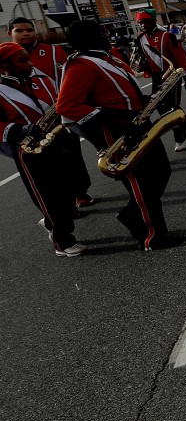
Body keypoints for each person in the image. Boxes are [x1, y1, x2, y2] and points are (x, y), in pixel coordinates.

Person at [56, 19, 174, 252]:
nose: (106, 35)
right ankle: (151, 236)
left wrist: (144, 101)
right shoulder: (80, 65)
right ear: (90, 38)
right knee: (140, 181)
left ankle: (132, 215)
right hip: (118, 130)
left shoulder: (106, 58)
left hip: (136, 122)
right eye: (101, 32)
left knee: (161, 170)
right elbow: (66, 106)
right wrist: (110, 119)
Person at [0, 42, 86, 256]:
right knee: (48, 196)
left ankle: (51, 222)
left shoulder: (43, 80)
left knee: (68, 191)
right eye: (22, 60)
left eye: (28, 58)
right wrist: (19, 130)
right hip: (28, 149)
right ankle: (63, 242)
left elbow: (60, 104)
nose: (30, 63)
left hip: (57, 141)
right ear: (4, 65)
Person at [8, 16, 97, 210]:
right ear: (10, 34)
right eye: (19, 31)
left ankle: (80, 192)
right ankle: (61, 207)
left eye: (29, 30)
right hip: (30, 122)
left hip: (61, 114)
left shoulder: (55, 51)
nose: (25, 34)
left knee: (72, 155)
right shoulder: (6, 58)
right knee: (47, 167)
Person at [134, 11, 186, 151]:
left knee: (171, 107)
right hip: (156, 77)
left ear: (153, 21)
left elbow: (181, 57)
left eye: (146, 21)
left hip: (172, 75)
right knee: (161, 108)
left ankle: (182, 138)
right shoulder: (140, 39)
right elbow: (142, 58)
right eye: (140, 23)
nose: (143, 25)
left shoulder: (166, 36)